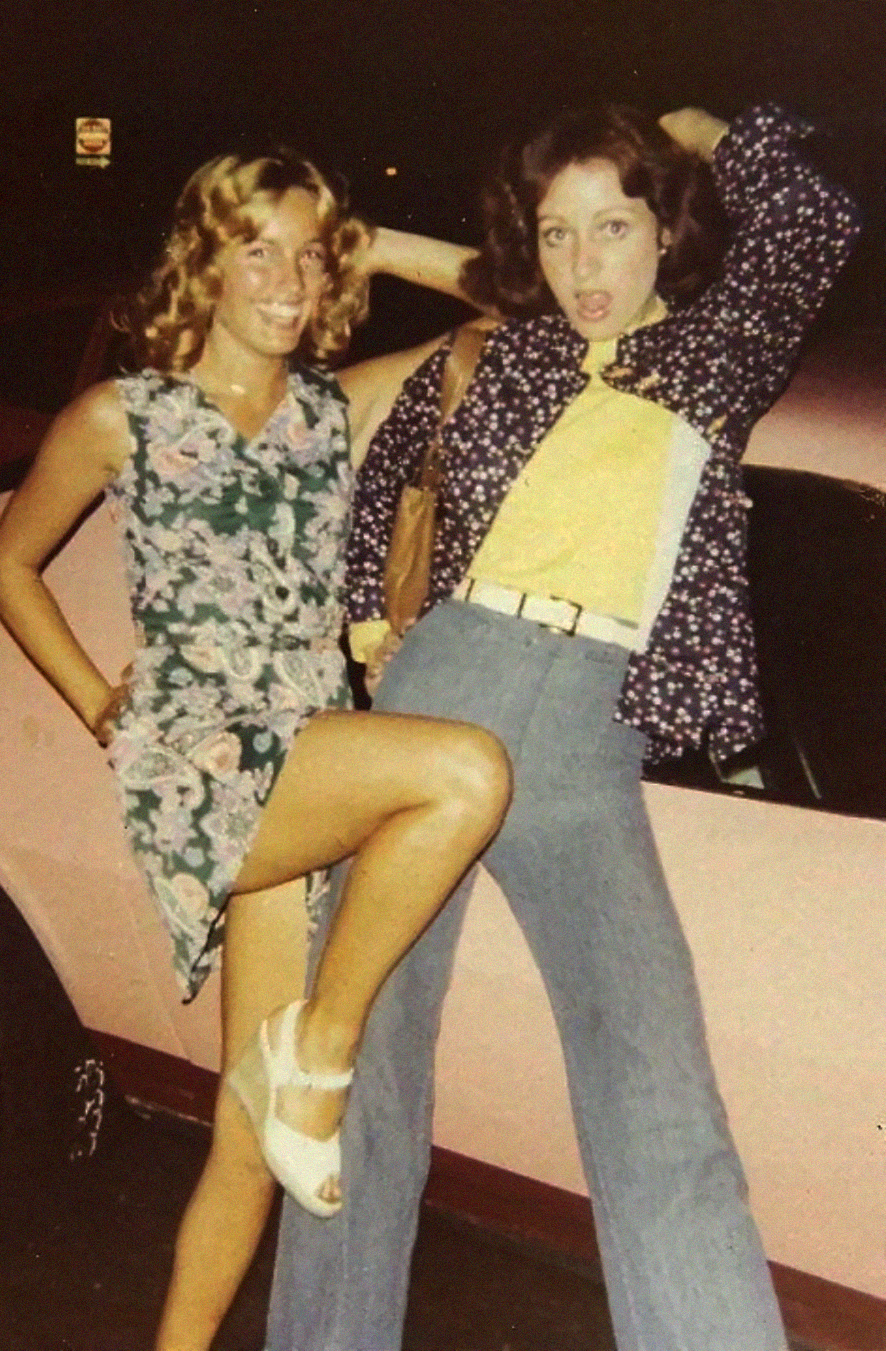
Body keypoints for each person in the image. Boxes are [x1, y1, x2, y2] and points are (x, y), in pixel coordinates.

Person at [267, 104, 861, 1351]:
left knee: (662, 1106)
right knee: (357, 1083)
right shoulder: (513, 351)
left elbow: (815, 223)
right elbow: (396, 478)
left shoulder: (714, 353)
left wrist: (712, 129)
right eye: (558, 235)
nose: (586, 265)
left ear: (664, 232)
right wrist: (378, 644)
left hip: (590, 724)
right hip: (447, 679)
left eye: (614, 227)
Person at [0, 147, 512, 1351]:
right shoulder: (127, 414)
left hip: (304, 750)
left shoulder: (334, 407)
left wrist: (372, 242)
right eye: (254, 248)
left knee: (246, 1137)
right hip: (207, 770)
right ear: (204, 263)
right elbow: (7, 564)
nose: (284, 277)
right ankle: (317, 1047)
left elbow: (512, 308)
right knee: (465, 772)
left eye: (305, 251)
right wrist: (96, 702)